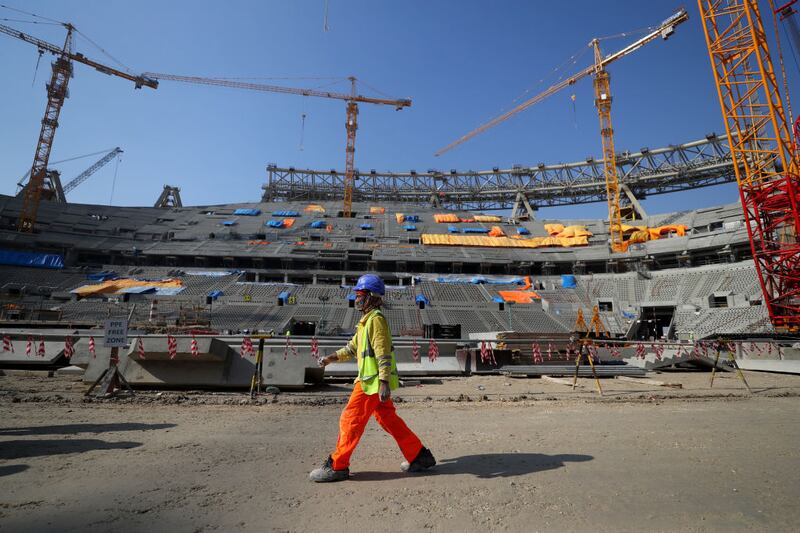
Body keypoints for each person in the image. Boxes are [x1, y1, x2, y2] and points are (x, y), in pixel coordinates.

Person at [309, 274, 435, 482]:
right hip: (373, 381)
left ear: (372, 297)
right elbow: (352, 348)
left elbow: (382, 351)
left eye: (360, 294)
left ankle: (338, 465)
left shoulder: (376, 320)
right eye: (356, 294)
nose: (356, 298)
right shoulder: (366, 321)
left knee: (350, 419)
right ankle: (419, 456)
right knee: (389, 420)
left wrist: (384, 382)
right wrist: (330, 358)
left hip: (371, 383)